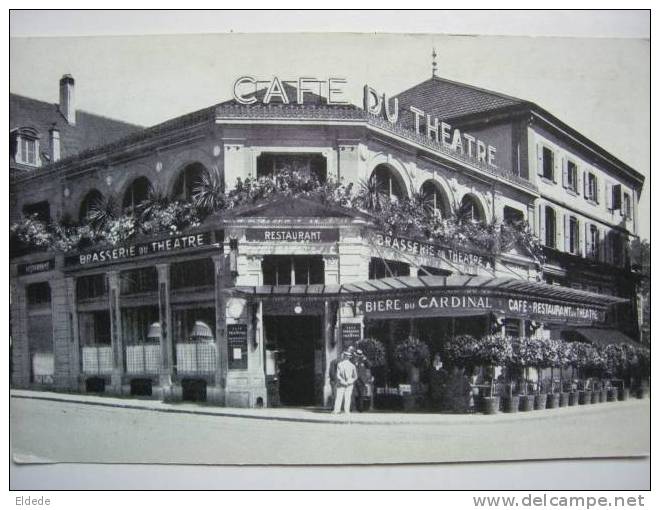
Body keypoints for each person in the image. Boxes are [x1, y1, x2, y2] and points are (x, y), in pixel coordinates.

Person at [332, 350, 358, 414]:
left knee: (339, 397)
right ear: (349, 357)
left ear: (344, 356)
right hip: (349, 384)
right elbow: (355, 377)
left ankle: (337, 410)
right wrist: (350, 381)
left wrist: (342, 381)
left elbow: (337, 375)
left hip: (341, 383)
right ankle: (346, 411)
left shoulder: (340, 364)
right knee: (347, 398)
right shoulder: (352, 365)